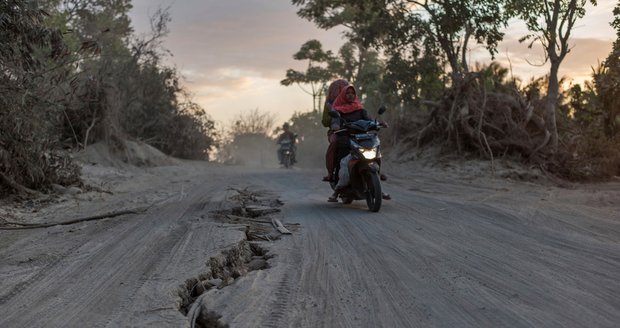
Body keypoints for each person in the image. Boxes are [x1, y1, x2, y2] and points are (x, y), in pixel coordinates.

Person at [327, 85, 390, 202]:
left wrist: (379, 123)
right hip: (346, 137)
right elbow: (335, 121)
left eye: (352, 93)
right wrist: (335, 126)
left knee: (376, 152)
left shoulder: (360, 109)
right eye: (348, 93)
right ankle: (337, 189)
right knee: (343, 159)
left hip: (362, 138)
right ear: (343, 95)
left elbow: (369, 120)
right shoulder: (338, 110)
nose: (350, 95)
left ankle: (378, 183)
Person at [322, 79, 349, 181]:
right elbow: (325, 122)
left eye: (343, 88)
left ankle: (376, 171)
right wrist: (333, 119)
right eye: (338, 89)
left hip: (353, 130)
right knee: (334, 144)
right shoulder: (329, 104)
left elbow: (362, 114)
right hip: (336, 132)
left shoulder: (353, 101)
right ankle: (330, 172)